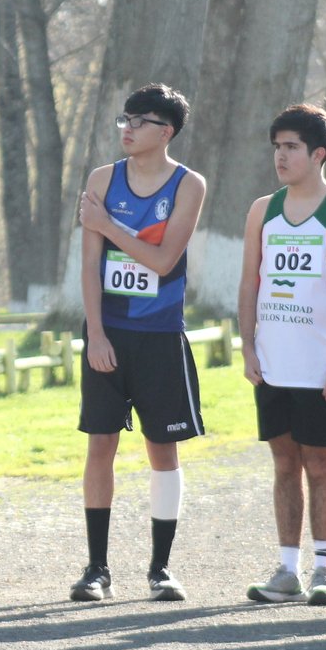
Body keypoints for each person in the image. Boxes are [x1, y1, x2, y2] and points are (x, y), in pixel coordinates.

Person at [74, 84, 207, 603]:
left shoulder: (188, 185)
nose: (127, 128)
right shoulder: (103, 179)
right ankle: (96, 569)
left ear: (166, 131)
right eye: (124, 118)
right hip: (109, 334)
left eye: (140, 120)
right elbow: (90, 264)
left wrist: (107, 225)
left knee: (163, 449)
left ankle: (160, 569)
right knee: (100, 445)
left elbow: (163, 261)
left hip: (159, 337)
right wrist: (96, 334)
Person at [238, 104, 326, 607]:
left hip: (321, 367)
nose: (281, 155)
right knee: (283, 463)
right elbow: (249, 282)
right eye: (277, 146)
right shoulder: (262, 210)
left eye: (291, 146)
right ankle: (287, 570)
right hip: (272, 363)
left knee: (319, 463)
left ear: (319, 153)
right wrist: (248, 347)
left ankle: (324, 570)